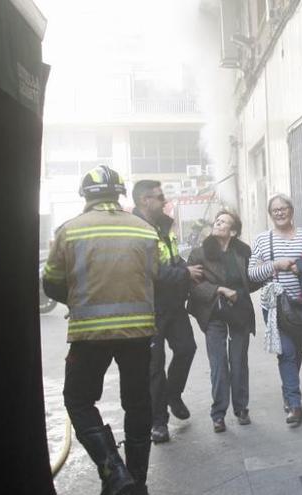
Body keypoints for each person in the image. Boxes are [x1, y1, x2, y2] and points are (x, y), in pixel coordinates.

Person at [43, 165, 176, 495]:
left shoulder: (69, 231)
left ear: (85, 196)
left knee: (77, 399)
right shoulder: (145, 231)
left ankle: (114, 473)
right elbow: (158, 273)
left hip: (90, 334)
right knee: (138, 403)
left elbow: (51, 282)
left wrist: (80, 301)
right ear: (119, 194)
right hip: (138, 332)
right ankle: (138, 482)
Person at [131, 180, 203, 444]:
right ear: (144, 201)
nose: (164, 201)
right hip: (149, 308)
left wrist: (189, 267)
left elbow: (171, 260)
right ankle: (158, 422)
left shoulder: (165, 224)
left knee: (186, 349)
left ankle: (173, 394)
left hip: (173, 305)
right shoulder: (135, 229)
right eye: (159, 197)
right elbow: (149, 272)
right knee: (154, 367)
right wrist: (184, 273)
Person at [248, 194, 302, 426]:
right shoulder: (262, 239)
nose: (280, 213)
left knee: (297, 351)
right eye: (275, 210)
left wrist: (301, 269)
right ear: (270, 215)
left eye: (284, 208)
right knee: (287, 353)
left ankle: (288, 391)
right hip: (275, 306)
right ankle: (295, 404)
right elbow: (252, 273)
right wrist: (275, 266)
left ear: (291, 211)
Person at [187, 211, 258, 433]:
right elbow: (193, 287)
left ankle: (241, 409)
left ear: (233, 231)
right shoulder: (199, 253)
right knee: (218, 365)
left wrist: (269, 272)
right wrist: (219, 289)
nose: (218, 223)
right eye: (217, 220)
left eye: (224, 221)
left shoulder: (244, 252)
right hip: (213, 312)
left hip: (239, 312)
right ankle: (218, 414)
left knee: (238, 362)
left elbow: (252, 281)